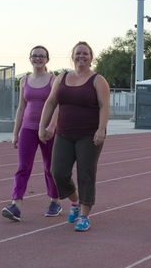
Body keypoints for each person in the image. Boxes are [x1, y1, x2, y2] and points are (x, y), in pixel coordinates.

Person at [39, 41, 110, 232]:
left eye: (85, 54)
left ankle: (84, 216)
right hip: (63, 133)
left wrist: (101, 129)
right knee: (58, 172)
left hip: (89, 135)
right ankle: (76, 201)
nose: (81, 56)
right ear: (72, 56)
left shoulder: (98, 80)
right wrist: (43, 126)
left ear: (91, 57)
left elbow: (104, 106)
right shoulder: (61, 77)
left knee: (86, 174)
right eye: (78, 53)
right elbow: (51, 102)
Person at [2, 45, 61, 222]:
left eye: (41, 56)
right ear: (30, 58)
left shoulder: (53, 80)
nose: (38, 59)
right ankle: (16, 205)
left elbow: (58, 105)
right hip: (28, 129)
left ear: (47, 59)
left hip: (47, 129)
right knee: (23, 167)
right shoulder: (24, 81)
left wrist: (51, 127)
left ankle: (55, 201)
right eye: (35, 56)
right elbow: (21, 108)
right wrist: (15, 134)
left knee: (50, 167)